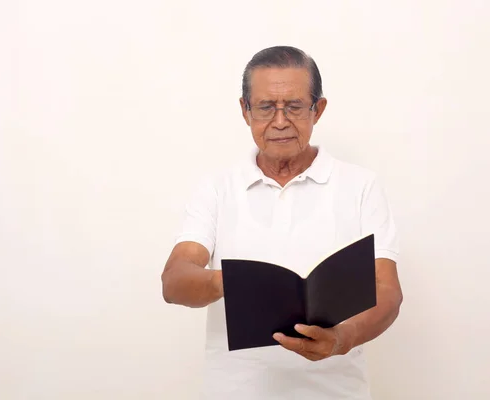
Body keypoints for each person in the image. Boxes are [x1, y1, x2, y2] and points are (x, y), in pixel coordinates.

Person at [161, 46, 403, 400]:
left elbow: (388, 291)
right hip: (235, 392)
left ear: (317, 110)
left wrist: (341, 339)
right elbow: (175, 280)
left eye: (293, 107)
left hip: (336, 391)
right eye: (265, 107)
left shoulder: (360, 185)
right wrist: (236, 281)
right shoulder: (216, 188)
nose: (279, 121)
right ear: (245, 111)